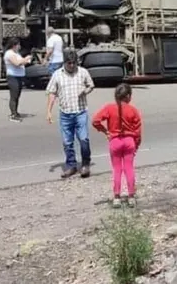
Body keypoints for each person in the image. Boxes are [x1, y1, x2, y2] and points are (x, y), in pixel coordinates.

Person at [46, 50, 95, 179]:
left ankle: (85, 164)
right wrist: (49, 111)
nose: (72, 66)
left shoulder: (83, 72)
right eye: (69, 63)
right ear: (64, 63)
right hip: (65, 114)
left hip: (80, 112)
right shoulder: (57, 75)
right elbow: (52, 93)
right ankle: (71, 165)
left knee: (83, 139)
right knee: (67, 142)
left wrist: (85, 91)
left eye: (74, 63)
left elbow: (91, 85)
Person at [92, 84, 143, 208]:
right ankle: (131, 196)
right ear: (129, 96)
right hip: (129, 140)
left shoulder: (109, 108)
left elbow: (95, 121)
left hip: (115, 141)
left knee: (117, 170)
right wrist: (136, 145)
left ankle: (116, 197)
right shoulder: (133, 110)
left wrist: (105, 131)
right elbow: (138, 131)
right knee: (129, 168)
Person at [4, 38, 30, 123]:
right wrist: (26, 59)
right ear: (14, 45)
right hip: (13, 77)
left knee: (17, 95)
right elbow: (17, 63)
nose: (19, 46)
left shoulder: (16, 53)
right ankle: (13, 114)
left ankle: (15, 111)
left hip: (19, 76)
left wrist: (25, 61)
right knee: (14, 96)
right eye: (18, 45)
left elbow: (21, 62)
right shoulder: (9, 53)